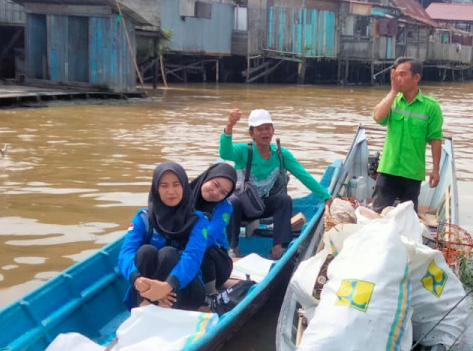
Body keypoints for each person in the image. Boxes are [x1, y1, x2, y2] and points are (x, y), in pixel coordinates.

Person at [221, 108, 331, 259]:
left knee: (284, 200)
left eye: (267, 128)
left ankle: (277, 249)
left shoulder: (280, 154)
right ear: (251, 134)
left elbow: (303, 175)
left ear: (273, 131)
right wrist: (229, 126)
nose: (264, 133)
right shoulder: (243, 151)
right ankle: (232, 247)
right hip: (242, 205)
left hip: (262, 205)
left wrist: (326, 196)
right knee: (232, 201)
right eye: (259, 129)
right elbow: (225, 153)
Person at [118, 162, 214, 311]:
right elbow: (126, 253)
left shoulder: (198, 220)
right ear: (156, 189)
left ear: (184, 186)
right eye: (164, 186)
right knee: (145, 251)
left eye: (176, 184)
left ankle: (165, 308)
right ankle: (145, 305)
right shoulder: (143, 218)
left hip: (185, 289)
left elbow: (193, 257)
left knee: (168, 253)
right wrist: (137, 279)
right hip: (147, 292)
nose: (171, 191)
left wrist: (167, 286)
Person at [371, 57, 444, 211]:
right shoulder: (392, 101)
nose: (398, 79)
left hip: (412, 173)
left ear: (416, 77)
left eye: (402, 75)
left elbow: (436, 138)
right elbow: (378, 117)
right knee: (378, 214)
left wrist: (435, 169)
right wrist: (392, 92)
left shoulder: (431, 107)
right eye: (396, 75)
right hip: (388, 170)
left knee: (408, 217)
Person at [189, 162, 237, 309]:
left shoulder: (224, 207)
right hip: (187, 257)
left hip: (217, 265)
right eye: (215, 184)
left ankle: (211, 293)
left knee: (203, 246)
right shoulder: (183, 196)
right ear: (207, 177)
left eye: (223, 192)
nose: (216, 193)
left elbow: (208, 236)